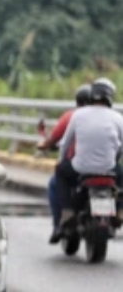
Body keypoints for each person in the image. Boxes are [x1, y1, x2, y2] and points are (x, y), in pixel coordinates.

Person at [54, 78, 123, 232]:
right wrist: (114, 159)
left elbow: (65, 143)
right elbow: (121, 147)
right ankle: (120, 209)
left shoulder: (78, 115)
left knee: (60, 171)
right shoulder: (118, 118)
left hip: (81, 168)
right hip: (109, 168)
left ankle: (67, 211)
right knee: (121, 179)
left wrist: (62, 159)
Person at [37, 83, 92, 243]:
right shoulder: (109, 116)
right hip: (106, 168)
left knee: (55, 183)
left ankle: (59, 224)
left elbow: (54, 140)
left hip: (78, 167)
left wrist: (44, 144)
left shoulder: (72, 116)